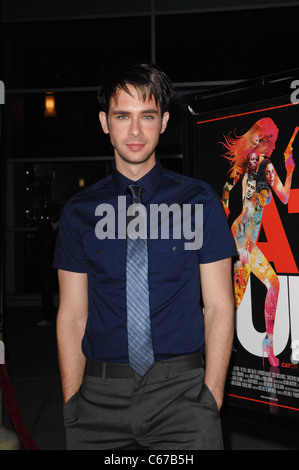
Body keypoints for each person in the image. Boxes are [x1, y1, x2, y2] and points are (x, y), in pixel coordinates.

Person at [53, 63, 237, 450]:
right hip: (98, 400)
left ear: (164, 121)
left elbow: (219, 306)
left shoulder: (200, 201)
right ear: (105, 122)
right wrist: (73, 404)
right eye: (123, 116)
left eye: (147, 116)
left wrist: (211, 398)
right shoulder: (79, 212)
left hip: (183, 397)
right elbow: (72, 314)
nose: (135, 132)